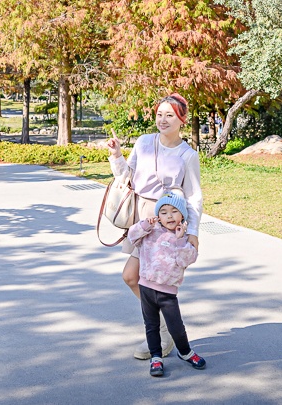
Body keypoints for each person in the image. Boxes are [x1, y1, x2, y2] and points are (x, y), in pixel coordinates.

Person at [105, 92, 203, 360]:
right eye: (159, 114)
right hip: (143, 218)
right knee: (132, 277)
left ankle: (162, 334)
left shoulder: (187, 155)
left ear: (181, 119)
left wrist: (193, 232)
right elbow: (126, 176)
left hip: (167, 222)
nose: (163, 120)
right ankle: (163, 331)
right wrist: (116, 155)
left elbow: (193, 196)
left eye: (169, 115)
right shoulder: (144, 142)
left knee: (150, 281)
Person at [127, 192, 206, 378]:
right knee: (151, 325)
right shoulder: (149, 232)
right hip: (146, 287)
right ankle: (156, 357)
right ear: (158, 216)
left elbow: (187, 260)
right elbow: (132, 236)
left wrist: (180, 239)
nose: (169, 216)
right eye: (163, 212)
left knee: (176, 327)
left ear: (182, 215)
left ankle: (185, 352)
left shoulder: (183, 238)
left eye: (174, 211)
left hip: (167, 292)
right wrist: (145, 225)